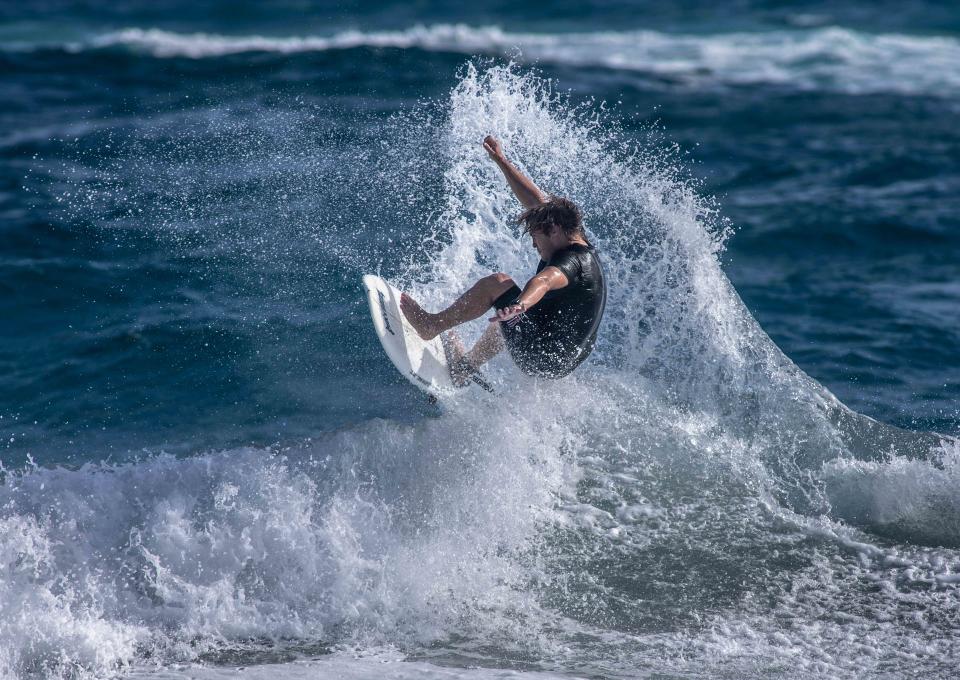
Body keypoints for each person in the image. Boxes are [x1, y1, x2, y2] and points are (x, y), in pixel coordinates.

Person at [400, 135, 606, 383]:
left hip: (543, 357)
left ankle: (430, 326)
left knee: (498, 284)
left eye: (535, 236)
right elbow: (536, 203)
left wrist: (521, 305)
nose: (533, 243)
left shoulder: (571, 263)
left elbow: (544, 281)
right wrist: (500, 160)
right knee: (506, 316)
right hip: (564, 358)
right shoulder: (569, 232)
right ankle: (464, 369)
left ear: (553, 231)